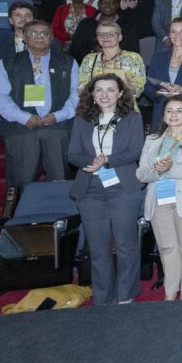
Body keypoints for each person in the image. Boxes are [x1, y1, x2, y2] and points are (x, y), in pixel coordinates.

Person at [68, 73, 144, 305]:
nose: (104, 94)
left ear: (120, 93)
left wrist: (107, 160)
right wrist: (90, 163)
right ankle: (103, 298)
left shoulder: (132, 118)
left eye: (110, 89)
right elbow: (72, 154)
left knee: (125, 244)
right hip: (90, 189)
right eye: (99, 89)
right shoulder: (82, 119)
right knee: (98, 248)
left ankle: (125, 295)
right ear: (92, 93)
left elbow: (136, 150)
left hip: (123, 187)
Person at [135, 95, 182, 301]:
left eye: (179, 111)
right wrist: (157, 171)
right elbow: (141, 174)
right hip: (159, 199)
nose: (173, 114)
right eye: (169, 110)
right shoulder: (152, 139)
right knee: (167, 248)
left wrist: (172, 168)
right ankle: (170, 294)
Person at [0, 20, 79, 189]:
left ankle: (60, 215)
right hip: (22, 129)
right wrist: (24, 117)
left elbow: (78, 93)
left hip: (58, 129)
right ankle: (24, 214)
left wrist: (60, 115)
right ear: (24, 37)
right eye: (33, 33)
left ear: (52, 38)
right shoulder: (8, 63)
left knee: (61, 179)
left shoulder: (68, 62)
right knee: (23, 180)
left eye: (44, 33)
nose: (39, 37)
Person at [78, 20, 146, 106]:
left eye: (110, 34)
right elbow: (82, 88)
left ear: (120, 37)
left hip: (125, 110)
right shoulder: (89, 59)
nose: (105, 37)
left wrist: (129, 87)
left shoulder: (133, 58)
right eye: (101, 34)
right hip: (95, 110)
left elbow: (139, 89)